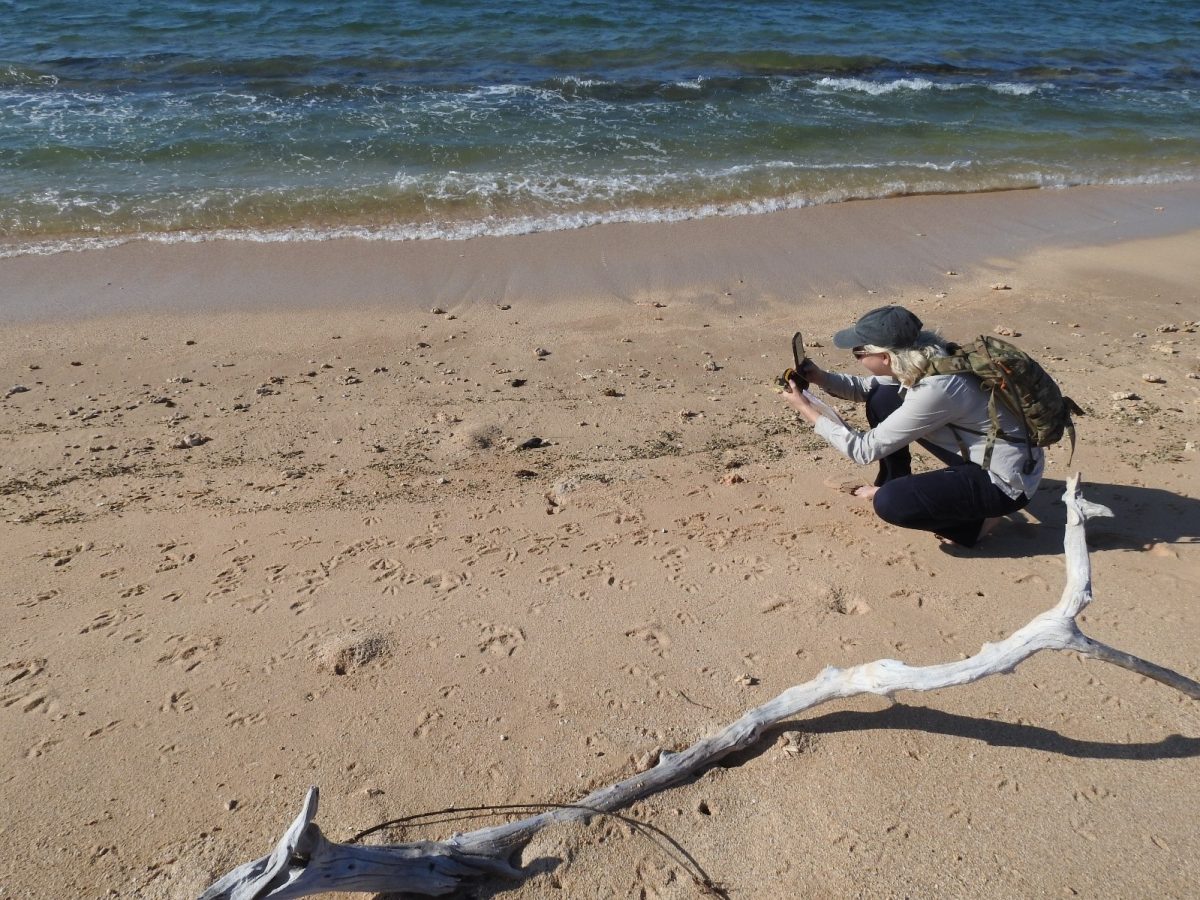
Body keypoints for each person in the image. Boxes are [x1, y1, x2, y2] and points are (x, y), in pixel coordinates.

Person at [782, 305, 1043, 548]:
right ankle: (896, 480)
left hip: (1007, 483)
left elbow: (862, 450)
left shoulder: (936, 388)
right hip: (990, 452)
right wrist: (818, 377)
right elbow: (864, 389)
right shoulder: (923, 357)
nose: (857, 357)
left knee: (890, 502)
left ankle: (975, 526)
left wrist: (804, 407)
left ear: (884, 357)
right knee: (883, 397)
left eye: (859, 353)